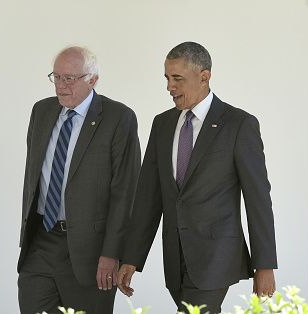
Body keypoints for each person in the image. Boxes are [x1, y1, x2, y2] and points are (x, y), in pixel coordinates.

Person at [117, 42, 277, 313]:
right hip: (175, 258)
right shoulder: (162, 124)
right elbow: (148, 198)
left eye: (177, 78)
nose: (170, 86)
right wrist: (131, 257)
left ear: (204, 76)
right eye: (167, 78)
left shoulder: (239, 124)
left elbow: (258, 199)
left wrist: (264, 265)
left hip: (216, 258)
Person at [17, 46, 141, 314]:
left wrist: (111, 253)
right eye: (57, 77)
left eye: (70, 79)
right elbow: (33, 175)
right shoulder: (42, 111)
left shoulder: (118, 118)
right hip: (41, 242)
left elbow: (125, 193)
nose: (61, 86)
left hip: (91, 253)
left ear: (92, 80)